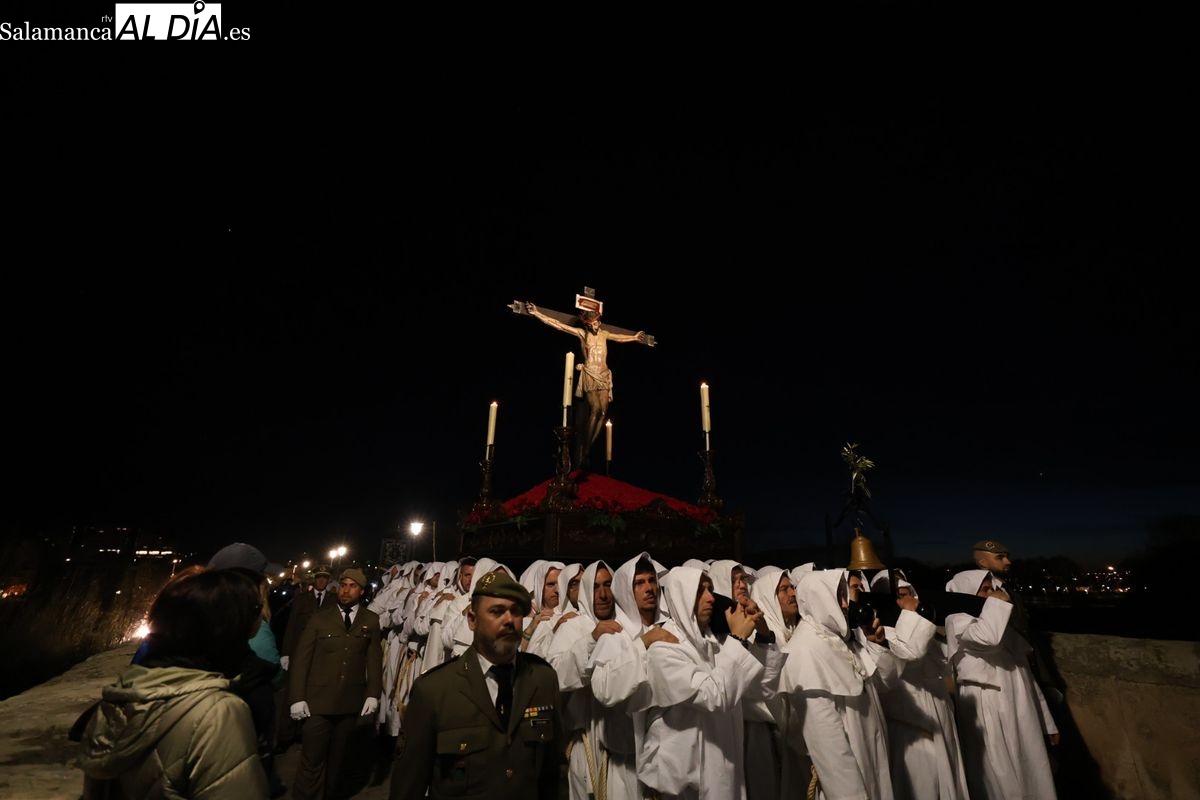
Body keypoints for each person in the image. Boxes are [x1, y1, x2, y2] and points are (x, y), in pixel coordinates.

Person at [78, 569, 269, 799]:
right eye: (254, 610)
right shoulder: (218, 712)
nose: (260, 617)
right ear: (228, 626)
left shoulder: (121, 694)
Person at [390, 569, 565, 799]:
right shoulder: (435, 690)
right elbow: (408, 786)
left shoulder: (542, 680)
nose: (509, 620)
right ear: (472, 620)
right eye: (497, 611)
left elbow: (553, 773)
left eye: (515, 612)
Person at [639, 565, 768, 800]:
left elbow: (762, 685)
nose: (710, 598)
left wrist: (764, 636)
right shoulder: (664, 650)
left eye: (710, 589)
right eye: (700, 591)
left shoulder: (714, 644)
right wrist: (737, 639)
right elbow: (713, 697)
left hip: (723, 771)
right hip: (684, 787)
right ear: (681, 597)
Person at [780, 568, 894, 800]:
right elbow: (830, 752)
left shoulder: (839, 640)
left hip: (871, 761)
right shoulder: (803, 653)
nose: (845, 604)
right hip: (850, 782)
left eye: (845, 595)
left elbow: (885, 683)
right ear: (819, 599)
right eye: (838, 596)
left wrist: (877, 644)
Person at [945, 569, 1059, 800]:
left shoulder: (1001, 626)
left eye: (993, 589)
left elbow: (1025, 677)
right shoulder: (959, 621)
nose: (991, 595)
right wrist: (997, 605)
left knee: (1032, 770)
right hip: (989, 708)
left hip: (1020, 708)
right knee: (1001, 777)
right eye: (984, 590)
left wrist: (1047, 722)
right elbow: (988, 639)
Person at [288, 567, 383, 800]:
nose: (346, 590)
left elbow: (373, 660)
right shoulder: (320, 618)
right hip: (317, 703)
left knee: (338, 762)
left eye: (352, 586)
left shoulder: (370, 620)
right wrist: (297, 698)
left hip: (349, 703)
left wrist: (373, 693)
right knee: (312, 761)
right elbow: (302, 660)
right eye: (343, 585)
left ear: (361, 591)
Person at [524, 301, 649, 467]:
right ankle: (584, 449)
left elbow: (618, 337)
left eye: (596, 322)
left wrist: (634, 337)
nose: (594, 325)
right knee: (595, 409)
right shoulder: (582, 334)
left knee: (603, 411)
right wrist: (537, 313)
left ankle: (588, 447)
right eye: (591, 324)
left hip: (604, 375)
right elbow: (558, 325)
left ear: (599, 321)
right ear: (587, 324)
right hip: (590, 373)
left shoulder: (604, 334)